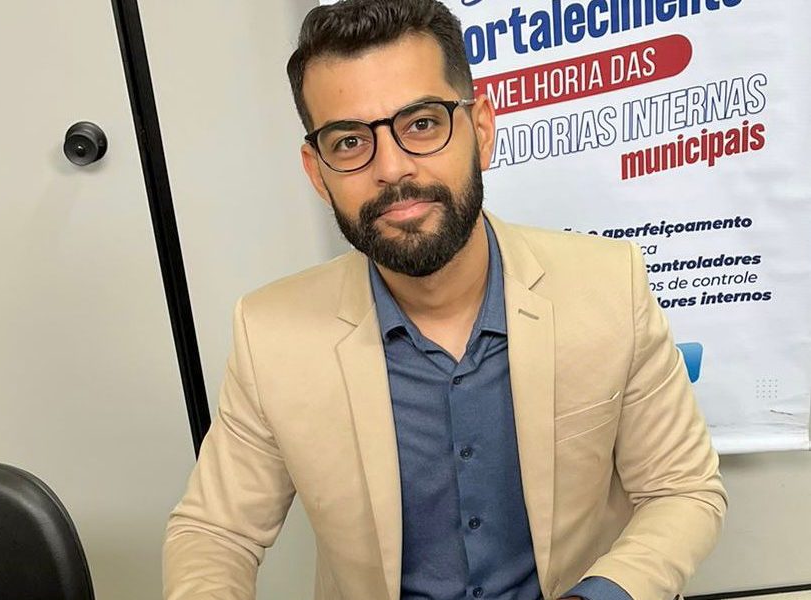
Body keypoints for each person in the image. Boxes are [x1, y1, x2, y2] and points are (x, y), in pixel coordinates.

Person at [163, 1, 727, 599]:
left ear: (480, 131)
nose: (392, 168)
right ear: (317, 171)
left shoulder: (609, 285)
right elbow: (214, 532)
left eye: (422, 124)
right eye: (350, 141)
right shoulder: (270, 333)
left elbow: (682, 489)